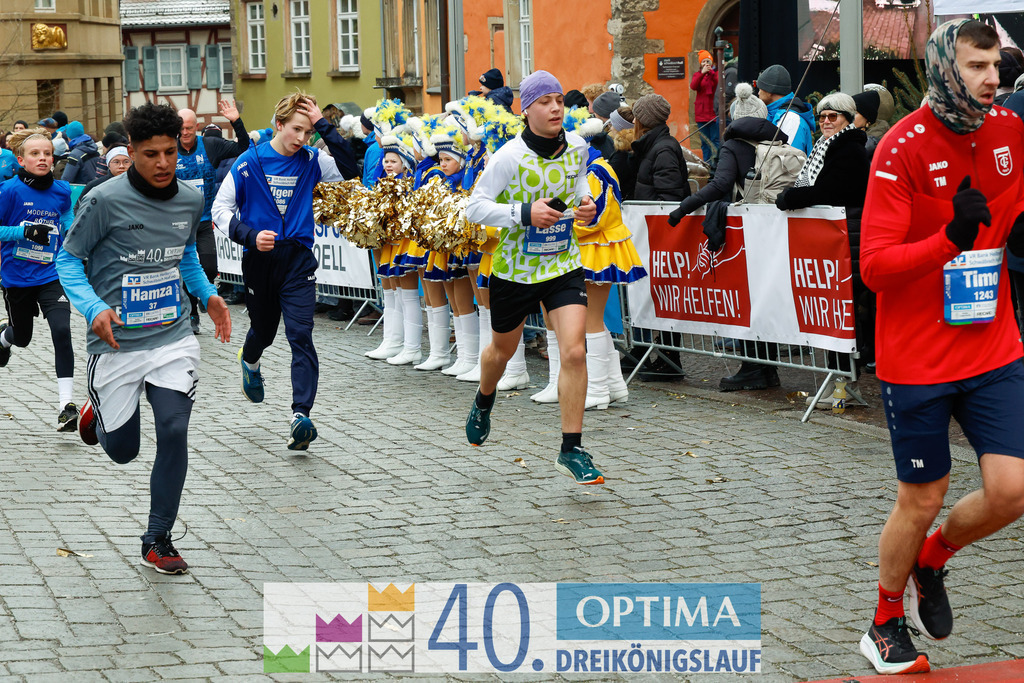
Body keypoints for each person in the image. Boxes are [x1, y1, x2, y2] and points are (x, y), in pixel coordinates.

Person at [857, 20, 1024, 675]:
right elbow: (874, 267)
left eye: (998, 65)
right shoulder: (898, 148)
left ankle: (934, 558)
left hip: (993, 346)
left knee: (1013, 490)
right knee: (922, 496)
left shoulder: (1011, 130)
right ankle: (884, 621)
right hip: (917, 355)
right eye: (978, 66)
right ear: (944, 68)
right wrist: (949, 237)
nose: (994, 78)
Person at [56, 102, 232, 575]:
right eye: (151, 153)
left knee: (174, 429)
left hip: (172, 336)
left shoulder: (191, 198)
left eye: (171, 152)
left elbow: (186, 256)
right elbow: (68, 261)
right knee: (124, 452)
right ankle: (95, 416)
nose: (162, 163)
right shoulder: (103, 200)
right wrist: (93, 308)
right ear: (130, 151)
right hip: (117, 345)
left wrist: (208, 295)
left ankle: (158, 538)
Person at [464, 70, 604, 485]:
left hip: (562, 264)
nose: (556, 107)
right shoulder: (507, 157)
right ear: (527, 111)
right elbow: (474, 207)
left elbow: (579, 184)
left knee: (575, 352)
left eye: (559, 99)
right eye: (545, 101)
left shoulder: (577, 146)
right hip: (515, 271)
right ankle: (484, 399)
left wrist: (586, 205)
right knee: (500, 352)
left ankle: (571, 448)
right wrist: (523, 214)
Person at [212, 92, 357, 451]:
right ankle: (250, 359)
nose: (302, 139)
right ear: (278, 125)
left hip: (298, 260)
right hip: (260, 260)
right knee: (264, 330)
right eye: (296, 130)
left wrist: (324, 126)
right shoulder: (249, 162)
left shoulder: (311, 159)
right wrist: (248, 235)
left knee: (301, 334)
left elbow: (351, 171)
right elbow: (220, 208)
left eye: (308, 132)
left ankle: (300, 415)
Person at [667, 83, 799, 391]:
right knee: (766, 296)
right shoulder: (775, 141)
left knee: (746, 298)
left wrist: (683, 208)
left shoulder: (734, 146)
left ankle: (753, 368)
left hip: (746, 232)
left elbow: (720, 183)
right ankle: (767, 369)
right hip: (775, 226)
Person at [776, 91, 871, 387]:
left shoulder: (849, 148)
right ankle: (837, 379)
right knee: (832, 311)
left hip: (848, 237)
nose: (826, 122)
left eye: (833, 117)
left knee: (843, 311)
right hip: (832, 238)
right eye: (822, 117)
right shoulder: (824, 145)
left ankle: (843, 384)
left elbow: (828, 190)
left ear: (847, 119)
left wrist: (789, 197)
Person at [0, 128, 77, 430]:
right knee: (23, 338)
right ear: (21, 159)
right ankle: (4, 338)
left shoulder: (61, 190)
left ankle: (66, 406)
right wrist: (24, 232)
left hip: (51, 274)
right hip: (16, 277)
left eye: (47, 153)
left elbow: (68, 219)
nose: (42, 158)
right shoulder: (9, 192)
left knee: (62, 329)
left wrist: (73, 233)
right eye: (35, 154)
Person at [175, 101, 250, 334]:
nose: (185, 133)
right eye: (180, 129)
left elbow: (243, 148)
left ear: (196, 126)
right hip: (177, 222)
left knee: (209, 266)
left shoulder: (210, 145)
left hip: (205, 219)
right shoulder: (168, 148)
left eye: (189, 128)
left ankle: (201, 292)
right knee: (185, 267)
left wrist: (236, 121)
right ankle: (191, 315)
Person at [630, 93, 690, 201]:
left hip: (653, 216)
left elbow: (669, 199)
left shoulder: (664, 151)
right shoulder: (653, 145)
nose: (633, 121)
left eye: (636, 117)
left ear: (645, 121)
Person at [756, 64, 815, 155]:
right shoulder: (774, 114)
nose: (758, 93)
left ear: (770, 90)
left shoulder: (792, 119)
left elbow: (790, 161)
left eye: (760, 88)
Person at [75, 145, 131, 210]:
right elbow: (79, 208)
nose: (121, 166)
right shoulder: (96, 185)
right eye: (116, 162)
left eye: (126, 162)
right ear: (108, 165)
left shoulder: (138, 184)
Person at [690, 50, 719, 162]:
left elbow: (718, 83)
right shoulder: (697, 75)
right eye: (703, 61)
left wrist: (711, 73)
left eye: (708, 61)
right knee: (704, 142)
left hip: (713, 113)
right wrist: (702, 73)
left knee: (715, 140)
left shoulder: (715, 74)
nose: (706, 63)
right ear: (700, 64)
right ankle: (707, 162)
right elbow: (693, 86)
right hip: (701, 114)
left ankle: (716, 163)